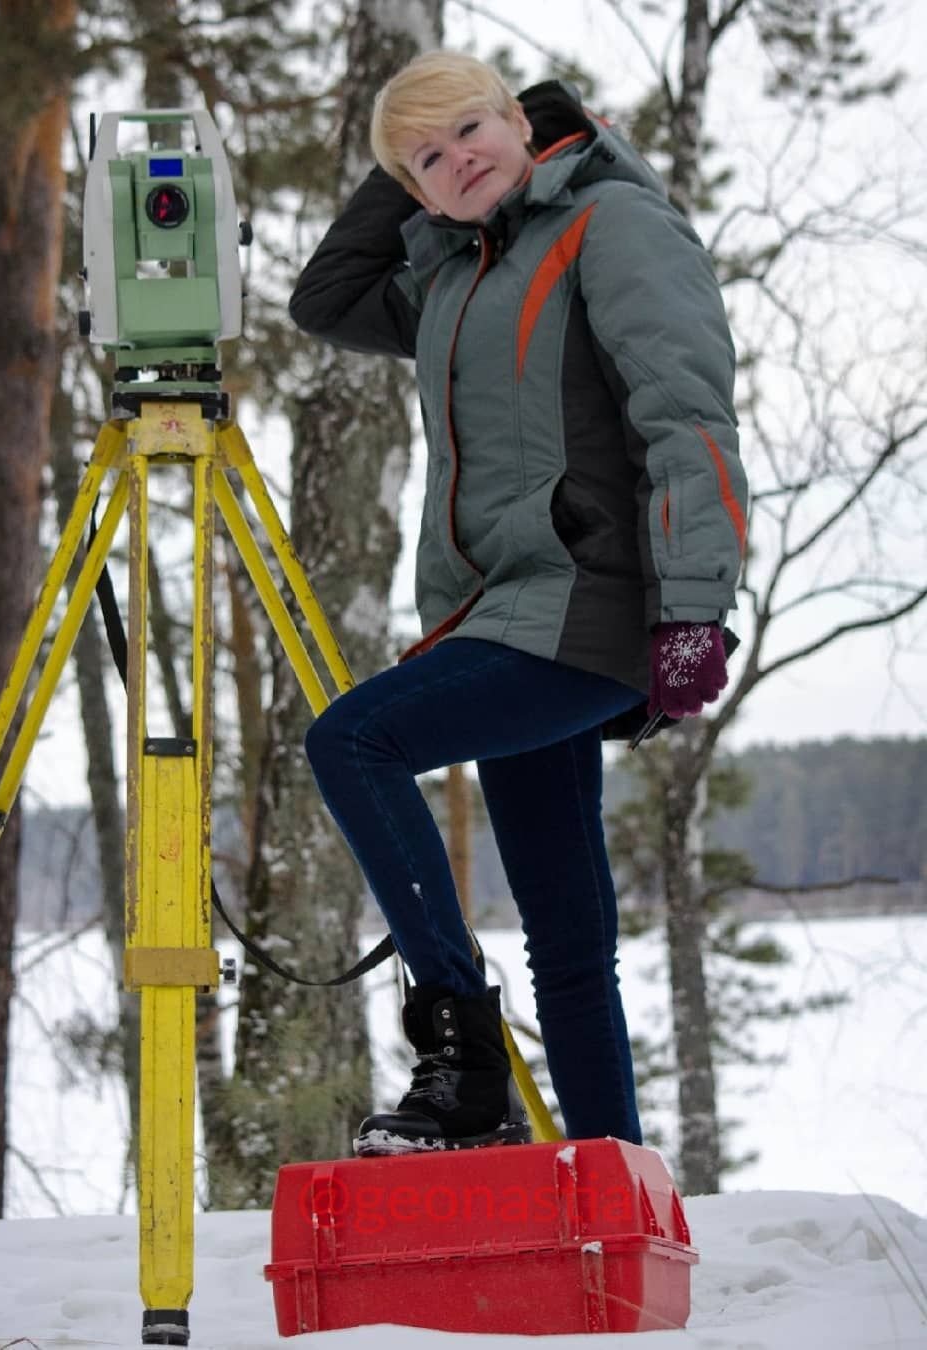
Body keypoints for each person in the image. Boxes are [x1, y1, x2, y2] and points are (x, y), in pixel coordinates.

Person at [289, 51, 748, 1157]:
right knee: (569, 943)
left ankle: (460, 1051)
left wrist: (695, 608)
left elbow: (686, 417)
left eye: (471, 130)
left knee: (355, 739)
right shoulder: (451, 276)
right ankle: (615, 1191)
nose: (458, 162)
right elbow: (326, 299)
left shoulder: (612, 225)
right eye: (427, 161)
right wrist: (403, 161)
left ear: (520, 119)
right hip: (499, 613)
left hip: (591, 602)